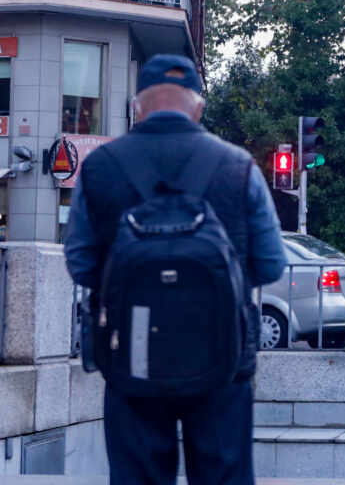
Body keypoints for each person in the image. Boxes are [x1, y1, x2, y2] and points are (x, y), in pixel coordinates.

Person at [64, 55, 287, 485]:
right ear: (198, 107)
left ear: (137, 106)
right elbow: (271, 263)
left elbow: (80, 263)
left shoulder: (100, 167)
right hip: (223, 356)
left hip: (130, 355)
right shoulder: (237, 166)